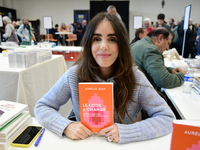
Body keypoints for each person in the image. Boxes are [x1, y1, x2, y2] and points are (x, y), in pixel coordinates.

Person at [35, 12, 175, 144]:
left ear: (121, 45)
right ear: (89, 44)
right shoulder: (74, 74)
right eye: (96, 39)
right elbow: (42, 107)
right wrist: (66, 126)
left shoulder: (135, 77)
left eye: (112, 39)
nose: (103, 46)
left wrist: (128, 132)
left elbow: (167, 118)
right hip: (84, 144)